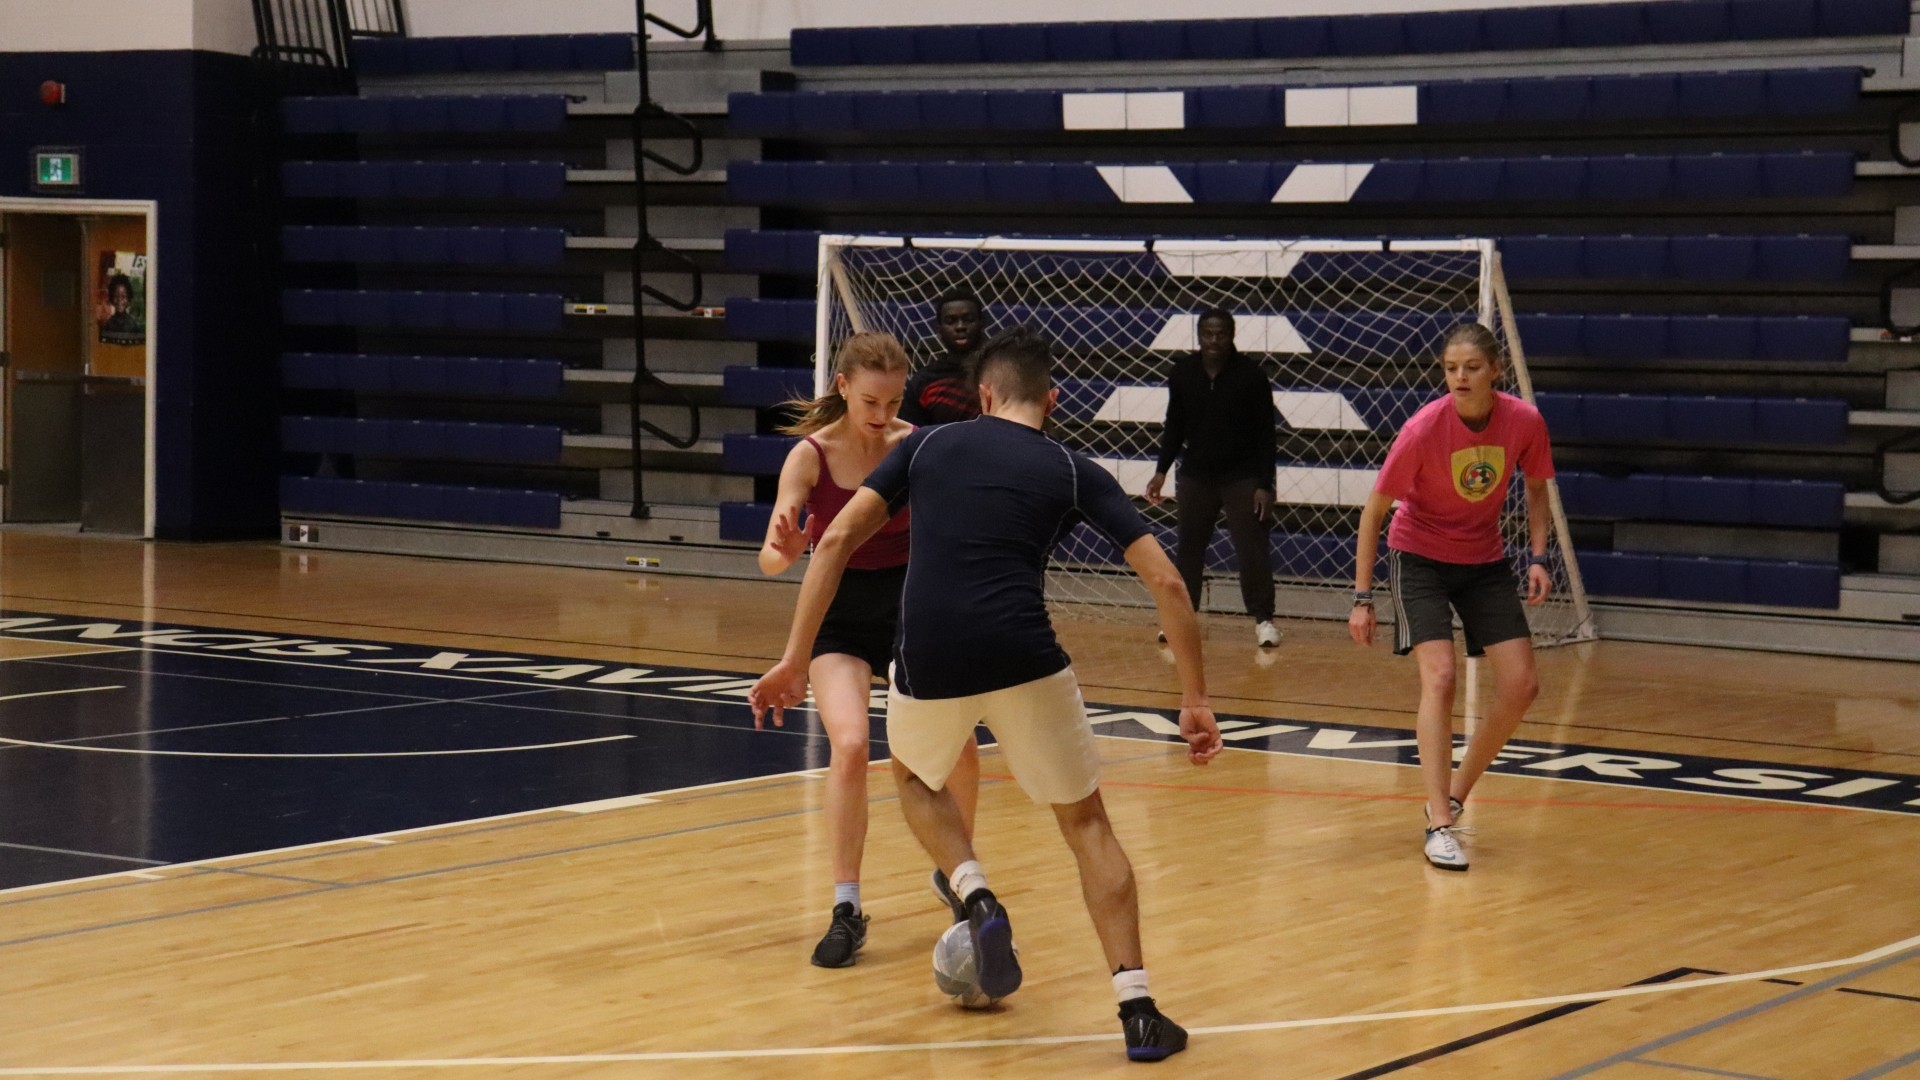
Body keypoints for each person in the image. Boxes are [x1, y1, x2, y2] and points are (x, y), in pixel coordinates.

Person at [750, 326, 1224, 1063]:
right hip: (1025, 652)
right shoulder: (1073, 468)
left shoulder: (928, 446)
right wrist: (1194, 697)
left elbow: (836, 542)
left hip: (931, 650)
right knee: (1088, 825)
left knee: (911, 775)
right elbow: (1167, 581)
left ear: (982, 396)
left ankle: (973, 889)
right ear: (1052, 400)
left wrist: (790, 657)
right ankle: (1138, 1011)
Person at [755, 331, 982, 968]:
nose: (881, 416)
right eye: (869, 402)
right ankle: (847, 907)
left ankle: (956, 870)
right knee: (852, 744)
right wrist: (786, 553)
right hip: (839, 617)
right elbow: (772, 556)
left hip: (908, 610)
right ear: (843, 389)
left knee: (959, 746)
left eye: (891, 401)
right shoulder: (809, 457)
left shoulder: (916, 448)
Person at [1348, 322, 1554, 872]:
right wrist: (1362, 596)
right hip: (1419, 558)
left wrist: (1538, 556)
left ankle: (1456, 792)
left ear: (1495, 373)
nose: (1459, 377)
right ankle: (1439, 825)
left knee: (1522, 684)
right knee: (1440, 677)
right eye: (1450, 368)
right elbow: (1373, 512)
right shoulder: (1422, 429)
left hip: (1484, 560)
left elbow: (1536, 489)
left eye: (1471, 367)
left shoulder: (1525, 422)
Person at [1145, 308, 1281, 648]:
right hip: (1196, 476)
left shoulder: (1252, 376)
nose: (1214, 340)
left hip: (1243, 477)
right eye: (1207, 333)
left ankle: (1264, 620)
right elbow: (1173, 425)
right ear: (1199, 335)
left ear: (1231, 335)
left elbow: (1266, 435)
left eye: (1220, 333)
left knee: (1252, 551)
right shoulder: (1183, 373)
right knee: (1188, 549)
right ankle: (1180, 618)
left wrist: (1265, 484)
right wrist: (1161, 471)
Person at [898, 287, 984, 425]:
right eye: (951, 321)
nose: (960, 327)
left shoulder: (1000, 374)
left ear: (982, 323)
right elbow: (910, 436)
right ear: (939, 329)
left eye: (968, 319)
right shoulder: (923, 382)